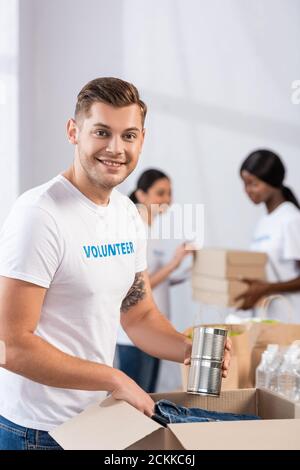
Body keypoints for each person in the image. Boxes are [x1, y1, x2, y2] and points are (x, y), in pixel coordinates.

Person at [0, 77, 232, 450]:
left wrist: (185, 347)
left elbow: (137, 315)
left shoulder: (126, 214)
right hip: (38, 431)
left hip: (97, 420)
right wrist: (114, 378)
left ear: (142, 138)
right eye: (102, 132)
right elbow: (11, 346)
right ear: (73, 131)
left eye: (128, 135)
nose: (116, 148)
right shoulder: (39, 215)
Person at [117, 169, 193, 392]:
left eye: (169, 193)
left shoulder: (152, 232)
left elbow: (159, 280)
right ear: (141, 195)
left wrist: (189, 268)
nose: (167, 199)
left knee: (148, 398)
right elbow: (138, 284)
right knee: (134, 403)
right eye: (160, 193)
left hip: (155, 330)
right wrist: (173, 263)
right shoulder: (131, 230)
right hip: (135, 335)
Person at [236, 149, 300, 320]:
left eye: (253, 183)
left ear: (272, 182)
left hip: (291, 322)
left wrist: (266, 288)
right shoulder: (264, 221)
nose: (247, 190)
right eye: (245, 184)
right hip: (266, 319)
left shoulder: (291, 219)